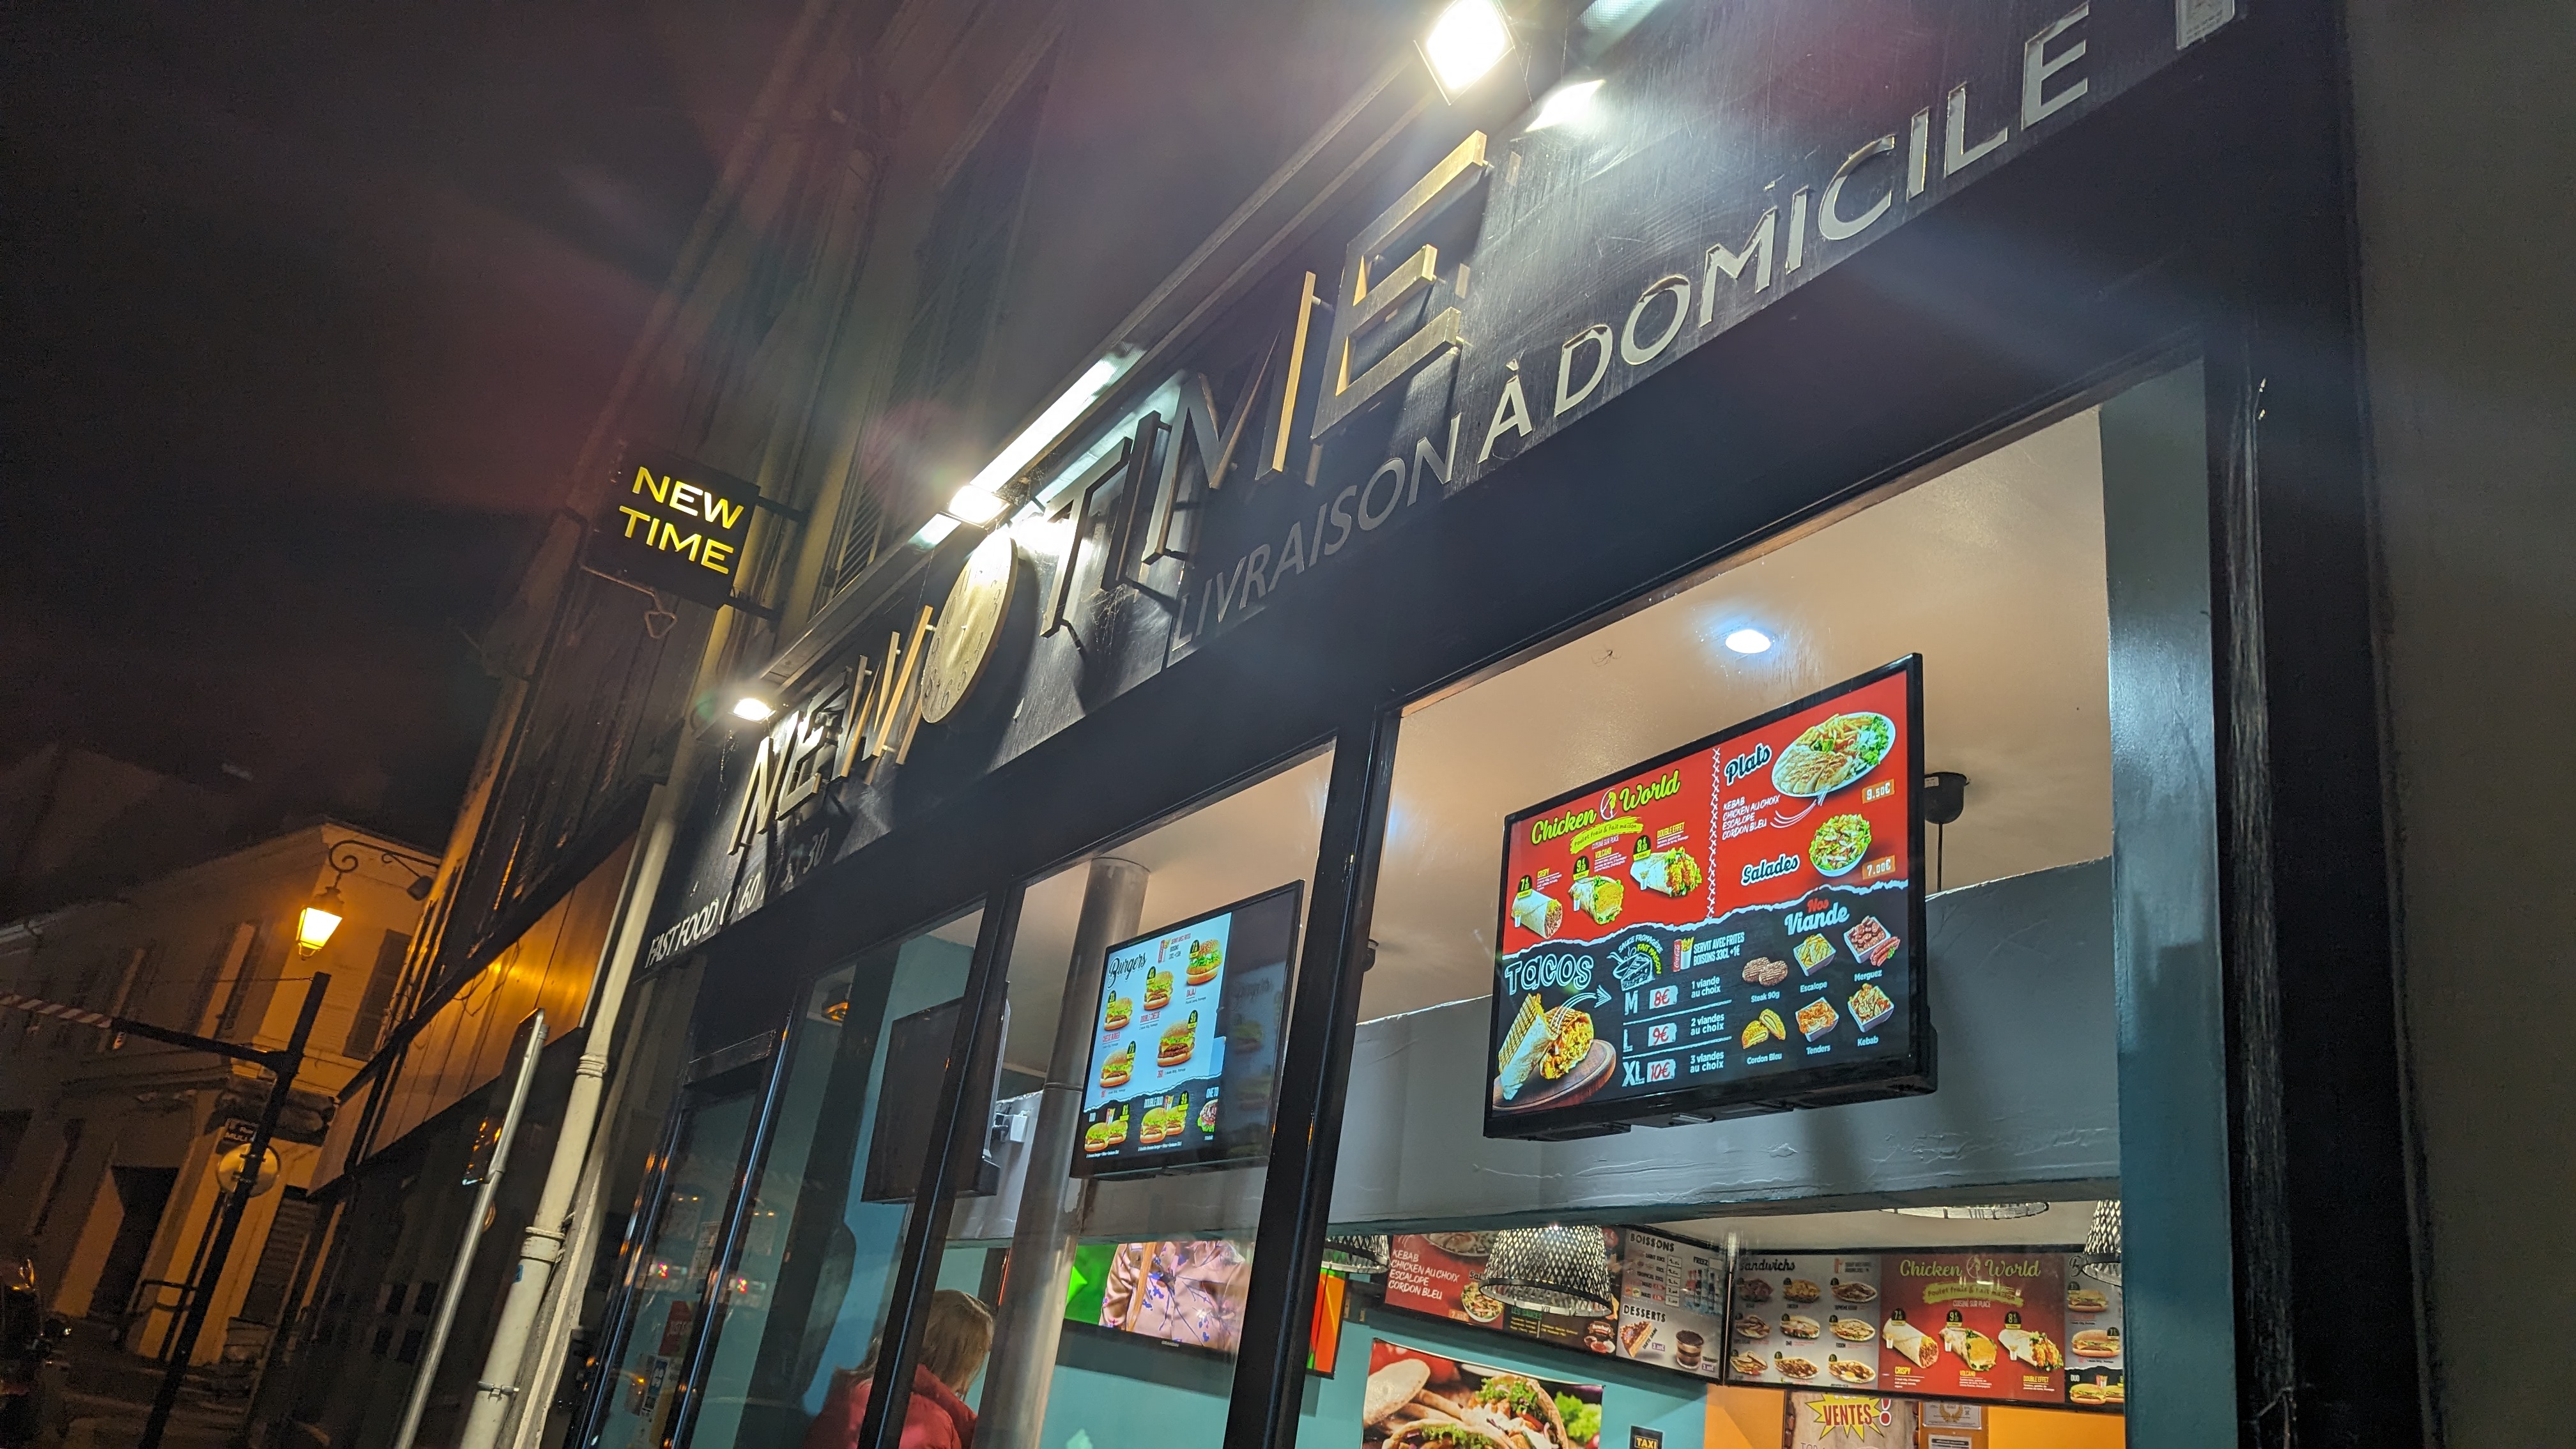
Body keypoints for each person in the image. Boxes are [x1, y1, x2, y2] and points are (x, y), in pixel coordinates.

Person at [802, 1290, 993, 1449]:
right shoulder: (926, 1421)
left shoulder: (852, 1392)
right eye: (967, 1371)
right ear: (950, 1363)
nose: (964, 1387)